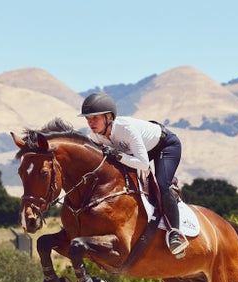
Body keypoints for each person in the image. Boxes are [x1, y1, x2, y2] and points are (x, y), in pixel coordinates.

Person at [78, 92, 188, 257]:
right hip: (138, 152)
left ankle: (174, 234)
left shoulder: (126, 129)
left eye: (95, 118)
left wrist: (117, 155)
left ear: (109, 117)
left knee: (161, 184)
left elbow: (143, 164)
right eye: (88, 119)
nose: (90, 122)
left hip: (165, 146)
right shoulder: (94, 136)